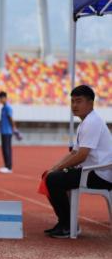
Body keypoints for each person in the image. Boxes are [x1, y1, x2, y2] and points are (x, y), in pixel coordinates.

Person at [44, 84, 112, 239]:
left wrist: (57, 170)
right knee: (51, 176)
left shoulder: (92, 122)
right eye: (72, 101)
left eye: (79, 101)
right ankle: (66, 223)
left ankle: (68, 225)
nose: (74, 105)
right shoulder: (85, 122)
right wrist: (54, 167)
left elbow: (81, 155)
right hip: (93, 171)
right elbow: (74, 152)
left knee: (53, 180)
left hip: (100, 175)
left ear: (90, 103)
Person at [0, 91, 21, 173]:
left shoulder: (8, 107)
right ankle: (6, 165)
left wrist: (15, 129)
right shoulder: (3, 108)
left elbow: (11, 118)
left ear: (4, 98)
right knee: (4, 149)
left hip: (7, 132)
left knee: (7, 149)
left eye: (0, 98)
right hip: (3, 131)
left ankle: (9, 167)